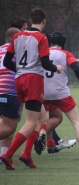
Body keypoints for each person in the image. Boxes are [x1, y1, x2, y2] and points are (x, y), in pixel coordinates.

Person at [0, 8, 62, 170]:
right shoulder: (41, 38)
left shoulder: (17, 36)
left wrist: (20, 70)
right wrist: (57, 68)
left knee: (42, 117)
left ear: (30, 19)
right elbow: (45, 64)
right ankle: (8, 155)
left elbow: (7, 62)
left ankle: (27, 154)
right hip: (33, 80)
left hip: (19, 81)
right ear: (44, 21)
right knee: (31, 121)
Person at [36, 31, 79, 160]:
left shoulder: (42, 52)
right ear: (63, 44)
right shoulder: (65, 54)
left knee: (46, 118)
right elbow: (77, 69)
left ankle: (44, 133)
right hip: (61, 93)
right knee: (76, 122)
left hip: (44, 93)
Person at [0, 27, 22, 164]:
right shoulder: (16, 51)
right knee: (10, 126)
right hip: (8, 91)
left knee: (5, 124)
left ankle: (3, 155)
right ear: (15, 38)